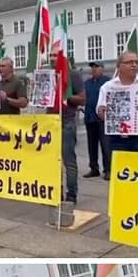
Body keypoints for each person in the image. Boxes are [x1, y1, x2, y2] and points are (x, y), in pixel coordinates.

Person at [97, 51, 138, 170]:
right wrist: (102, 113)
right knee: (119, 177)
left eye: (136, 62)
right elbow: (101, 115)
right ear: (119, 66)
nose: (134, 65)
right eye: (129, 62)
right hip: (116, 139)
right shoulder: (107, 88)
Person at [46, 50, 86, 204]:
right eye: (50, 55)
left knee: (68, 159)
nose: (52, 58)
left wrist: (66, 97)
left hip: (67, 122)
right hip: (50, 122)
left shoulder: (73, 75)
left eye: (55, 55)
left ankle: (72, 194)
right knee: (51, 160)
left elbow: (82, 99)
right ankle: (56, 191)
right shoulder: (48, 75)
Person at [83, 62, 112, 180]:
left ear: (102, 69)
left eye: (96, 67)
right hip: (90, 117)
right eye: (92, 67)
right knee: (91, 145)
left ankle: (108, 169)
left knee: (106, 145)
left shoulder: (108, 82)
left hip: (103, 119)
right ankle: (94, 167)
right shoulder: (87, 83)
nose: (94, 69)